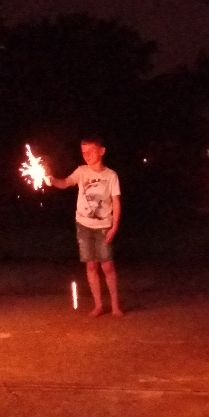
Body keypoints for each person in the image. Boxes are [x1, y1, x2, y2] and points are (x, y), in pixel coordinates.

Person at [50, 136, 124, 317]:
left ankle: (115, 305)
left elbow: (116, 202)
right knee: (91, 266)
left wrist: (114, 226)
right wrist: (52, 180)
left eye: (91, 151)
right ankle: (98, 305)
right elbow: (65, 182)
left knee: (107, 266)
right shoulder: (81, 171)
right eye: (84, 152)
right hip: (83, 225)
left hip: (103, 226)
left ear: (102, 151)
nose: (87, 155)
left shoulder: (111, 176)